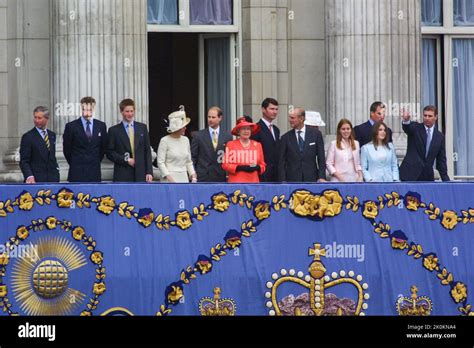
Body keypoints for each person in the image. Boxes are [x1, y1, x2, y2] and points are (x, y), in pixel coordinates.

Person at [106, 99, 153, 182]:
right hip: (122, 174)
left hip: (141, 174)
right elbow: (110, 153)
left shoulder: (142, 128)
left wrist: (149, 172)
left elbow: (147, 150)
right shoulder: (113, 130)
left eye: (131, 111)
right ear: (121, 112)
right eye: (127, 111)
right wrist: (126, 160)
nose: (130, 114)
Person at [63, 97, 107, 182]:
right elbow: (67, 149)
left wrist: (95, 160)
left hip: (94, 171)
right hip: (77, 171)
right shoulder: (71, 126)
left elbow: (103, 147)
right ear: (81, 108)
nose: (87, 112)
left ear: (93, 108)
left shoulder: (101, 126)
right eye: (84, 109)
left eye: (90, 109)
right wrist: (75, 163)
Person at [399, 106, 450, 181]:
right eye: (425, 115)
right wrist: (406, 120)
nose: (427, 118)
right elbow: (408, 128)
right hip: (409, 174)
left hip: (427, 177)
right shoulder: (416, 128)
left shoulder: (439, 137)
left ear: (436, 117)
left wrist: (446, 180)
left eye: (430, 116)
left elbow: (441, 161)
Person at [278, 107, 326, 182]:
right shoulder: (285, 138)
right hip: (292, 180)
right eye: (290, 118)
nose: (289, 120)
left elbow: (321, 158)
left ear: (301, 119)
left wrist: (322, 177)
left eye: (292, 118)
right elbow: (281, 162)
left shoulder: (316, 134)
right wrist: (282, 180)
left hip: (311, 178)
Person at [191, 106, 233, 182]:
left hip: (220, 176)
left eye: (213, 117)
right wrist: (193, 173)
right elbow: (193, 157)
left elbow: (229, 157)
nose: (210, 119)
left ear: (220, 118)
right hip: (203, 176)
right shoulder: (198, 136)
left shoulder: (227, 136)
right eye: (209, 117)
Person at [19, 106, 60, 184]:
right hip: (36, 180)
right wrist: (29, 176)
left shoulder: (52, 135)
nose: (36, 120)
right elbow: (24, 161)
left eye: (39, 118)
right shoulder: (28, 137)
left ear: (46, 119)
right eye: (35, 117)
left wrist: (56, 172)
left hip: (52, 180)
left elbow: (52, 157)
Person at [222, 117, 266, 183]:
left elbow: (263, 165)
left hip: (253, 183)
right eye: (243, 129)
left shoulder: (257, 145)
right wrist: (238, 168)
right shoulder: (231, 144)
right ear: (238, 131)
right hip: (236, 183)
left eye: (248, 129)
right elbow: (225, 164)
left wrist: (258, 167)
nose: (246, 131)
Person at [157, 110, 197, 183]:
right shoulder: (164, 141)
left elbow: (188, 161)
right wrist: (168, 177)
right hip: (169, 178)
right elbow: (160, 162)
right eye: (183, 126)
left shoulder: (186, 140)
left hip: (184, 177)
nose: (185, 128)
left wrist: (193, 174)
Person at [251, 98, 280, 182]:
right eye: (272, 109)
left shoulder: (276, 129)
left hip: (276, 173)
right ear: (263, 109)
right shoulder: (256, 128)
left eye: (276, 109)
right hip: (262, 173)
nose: (275, 112)